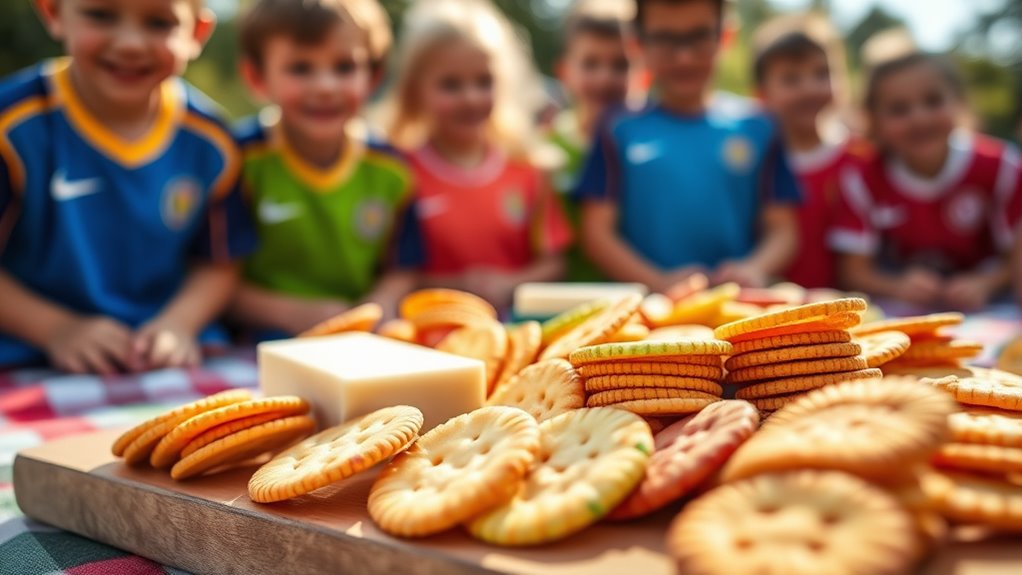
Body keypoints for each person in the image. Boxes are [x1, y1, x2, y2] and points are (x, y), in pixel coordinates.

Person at [0, 0, 255, 374]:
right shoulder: (13, 127)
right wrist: (56, 329)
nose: (131, 43)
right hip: (27, 356)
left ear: (197, 34)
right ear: (53, 13)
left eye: (159, 23)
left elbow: (219, 264)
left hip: (166, 357)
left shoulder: (212, 140)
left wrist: (179, 323)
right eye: (100, 15)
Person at [577, 0, 802, 293]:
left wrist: (754, 269)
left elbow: (783, 229)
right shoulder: (615, 127)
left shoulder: (760, 126)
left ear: (725, 36)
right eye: (665, 39)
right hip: (647, 315)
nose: (684, 57)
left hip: (737, 309)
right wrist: (659, 283)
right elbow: (596, 233)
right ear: (637, 44)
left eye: (698, 37)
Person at [229, 0, 423, 336]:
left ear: (373, 76)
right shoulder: (239, 160)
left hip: (359, 337)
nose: (325, 86)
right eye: (301, 68)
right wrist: (295, 313)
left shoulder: (392, 169)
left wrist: (378, 303)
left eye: (344, 67)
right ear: (257, 78)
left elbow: (402, 267)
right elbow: (214, 277)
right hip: (259, 337)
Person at [380, 0, 572, 309]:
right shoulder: (396, 171)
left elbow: (554, 264)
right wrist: (459, 288)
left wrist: (509, 283)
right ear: (415, 88)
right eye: (450, 85)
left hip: (515, 336)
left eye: (484, 82)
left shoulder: (530, 169)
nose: (470, 98)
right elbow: (393, 274)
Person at [830, 52, 1022, 311]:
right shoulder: (860, 179)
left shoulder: (1002, 167)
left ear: (959, 102)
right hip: (903, 313)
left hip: (993, 308)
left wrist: (985, 283)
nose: (919, 118)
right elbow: (854, 272)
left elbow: (1014, 258)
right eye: (899, 109)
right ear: (874, 120)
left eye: (933, 101)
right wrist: (896, 285)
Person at [754, 19, 866, 289]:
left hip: (851, 309)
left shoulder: (860, 156)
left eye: (822, 73)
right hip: (775, 310)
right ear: (762, 94)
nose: (809, 88)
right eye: (791, 79)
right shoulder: (758, 161)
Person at [549, 0, 633, 282]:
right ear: (565, 73)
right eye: (590, 63)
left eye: (621, 65)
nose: (604, 78)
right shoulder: (544, 151)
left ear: (644, 71)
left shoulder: (647, 150)